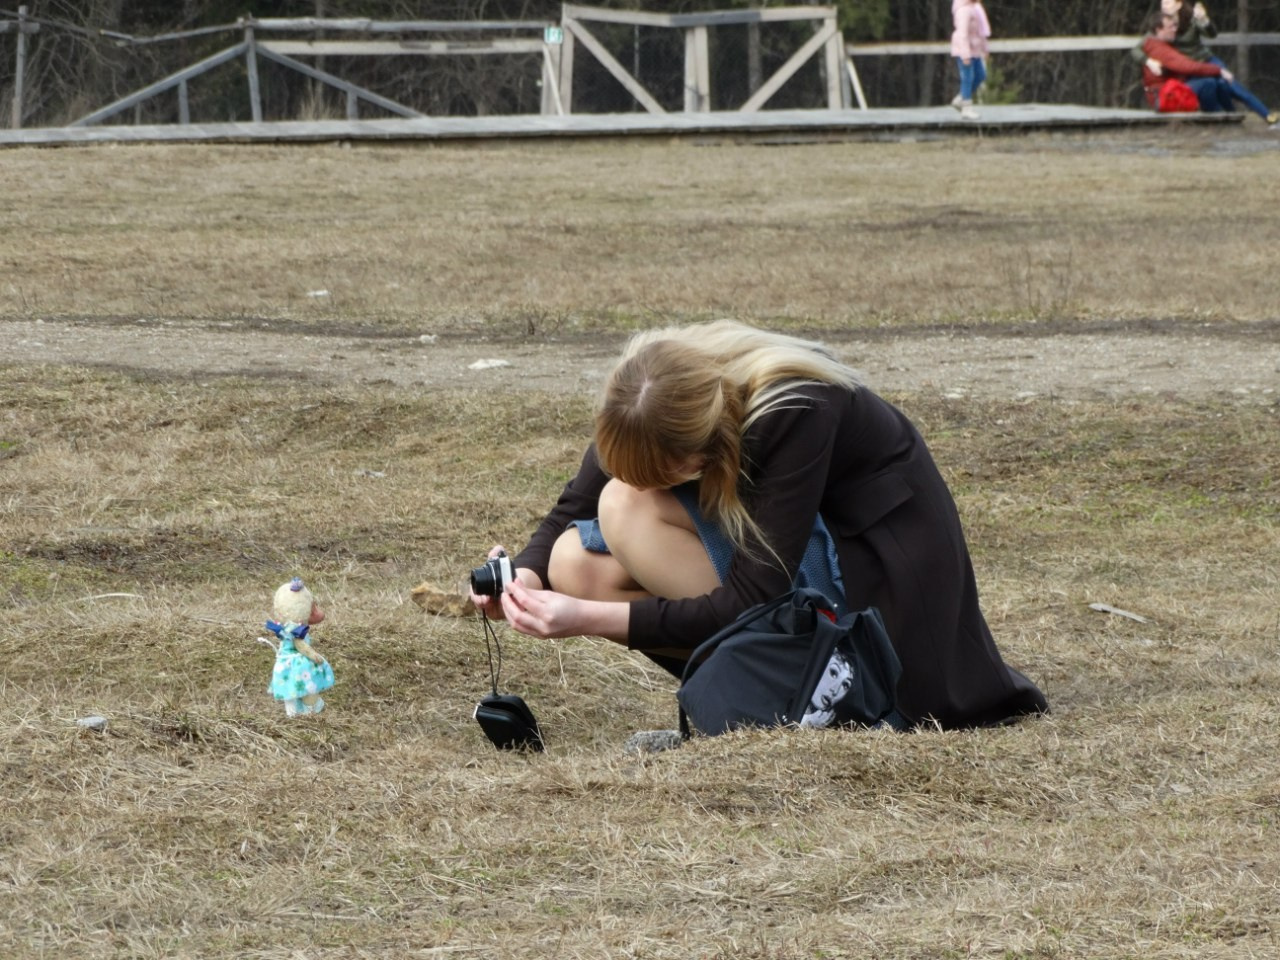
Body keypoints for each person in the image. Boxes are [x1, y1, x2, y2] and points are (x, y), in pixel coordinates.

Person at [472, 320, 1047, 730]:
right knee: (571, 561)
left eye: (663, 475)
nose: (651, 483)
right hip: (804, 567)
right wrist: (523, 575)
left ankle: (810, 685)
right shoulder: (656, 393)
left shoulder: (797, 408)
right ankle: (762, 692)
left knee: (625, 507)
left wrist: (587, 620)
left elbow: (754, 597)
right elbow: (574, 505)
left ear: (702, 449)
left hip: (881, 599)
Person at [1136, 2, 1277, 126]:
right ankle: (1231, 119)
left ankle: (1268, 116)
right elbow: (1137, 49)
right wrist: (1148, 61)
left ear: (1178, 5)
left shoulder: (1191, 18)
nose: (1163, 6)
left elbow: (1211, 34)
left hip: (1206, 60)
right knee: (1214, 85)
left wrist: (1204, 20)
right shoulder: (1162, 24)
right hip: (1190, 68)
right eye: (1162, 3)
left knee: (1231, 85)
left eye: (1167, 3)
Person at [950, 0, 991, 121]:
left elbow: (981, 32)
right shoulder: (963, 10)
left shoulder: (976, 8)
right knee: (967, 78)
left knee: (981, 75)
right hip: (965, 50)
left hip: (975, 50)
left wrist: (985, 49)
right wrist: (965, 55)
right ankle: (966, 109)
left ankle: (961, 98)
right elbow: (962, 34)